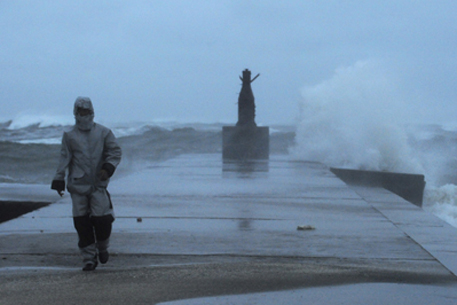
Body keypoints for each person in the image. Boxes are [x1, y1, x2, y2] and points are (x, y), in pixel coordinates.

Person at [51, 97, 122, 271]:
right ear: (75, 114)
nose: (84, 116)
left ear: (92, 113)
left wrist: (108, 167)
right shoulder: (69, 136)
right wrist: (59, 179)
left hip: (99, 184)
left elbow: (115, 151)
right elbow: (64, 158)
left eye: (87, 112)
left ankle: (103, 247)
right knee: (81, 223)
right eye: (81, 113)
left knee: (103, 220)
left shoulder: (104, 133)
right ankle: (89, 259)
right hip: (78, 185)